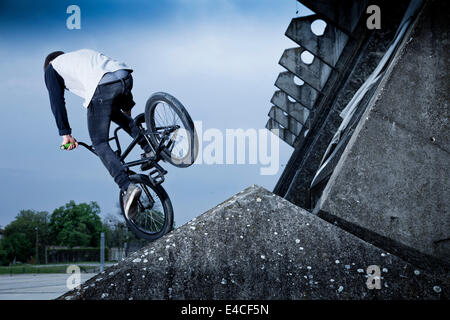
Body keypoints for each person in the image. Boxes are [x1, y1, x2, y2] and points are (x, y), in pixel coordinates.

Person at [43, 49, 151, 220]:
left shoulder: (52, 68)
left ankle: (127, 187)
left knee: (100, 143)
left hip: (102, 87)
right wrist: (128, 111)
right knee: (116, 114)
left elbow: (57, 101)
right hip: (124, 77)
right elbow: (115, 82)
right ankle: (150, 146)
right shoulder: (81, 56)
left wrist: (66, 134)